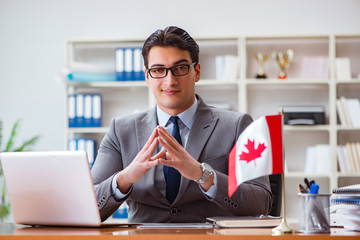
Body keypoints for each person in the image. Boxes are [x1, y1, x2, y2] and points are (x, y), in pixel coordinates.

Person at [91, 26, 273, 223]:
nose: (170, 81)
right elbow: (88, 206)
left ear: (197, 72)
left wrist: (203, 175)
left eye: (180, 68)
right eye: (159, 70)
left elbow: (262, 203)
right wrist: (125, 178)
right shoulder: (120, 130)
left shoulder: (237, 125)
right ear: (147, 77)